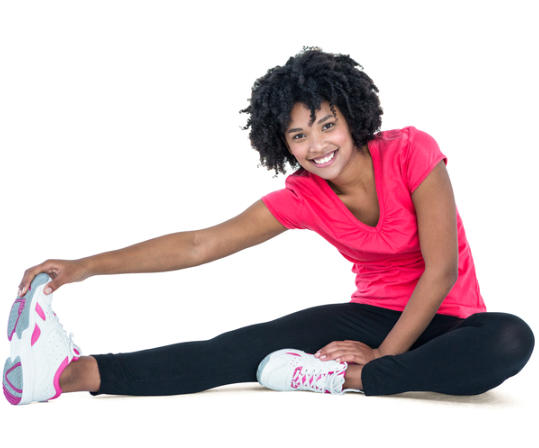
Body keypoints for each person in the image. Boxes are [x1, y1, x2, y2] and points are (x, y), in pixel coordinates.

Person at [4, 47, 535, 405]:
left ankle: (344, 381)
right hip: (370, 314)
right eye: (299, 136)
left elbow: (441, 270)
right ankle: (72, 374)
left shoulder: (412, 153)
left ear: (352, 116)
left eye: (327, 124)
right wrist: (85, 267)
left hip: (450, 322)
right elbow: (199, 244)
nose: (317, 146)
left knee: (510, 338)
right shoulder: (304, 196)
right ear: (281, 144)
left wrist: (380, 358)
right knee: (237, 348)